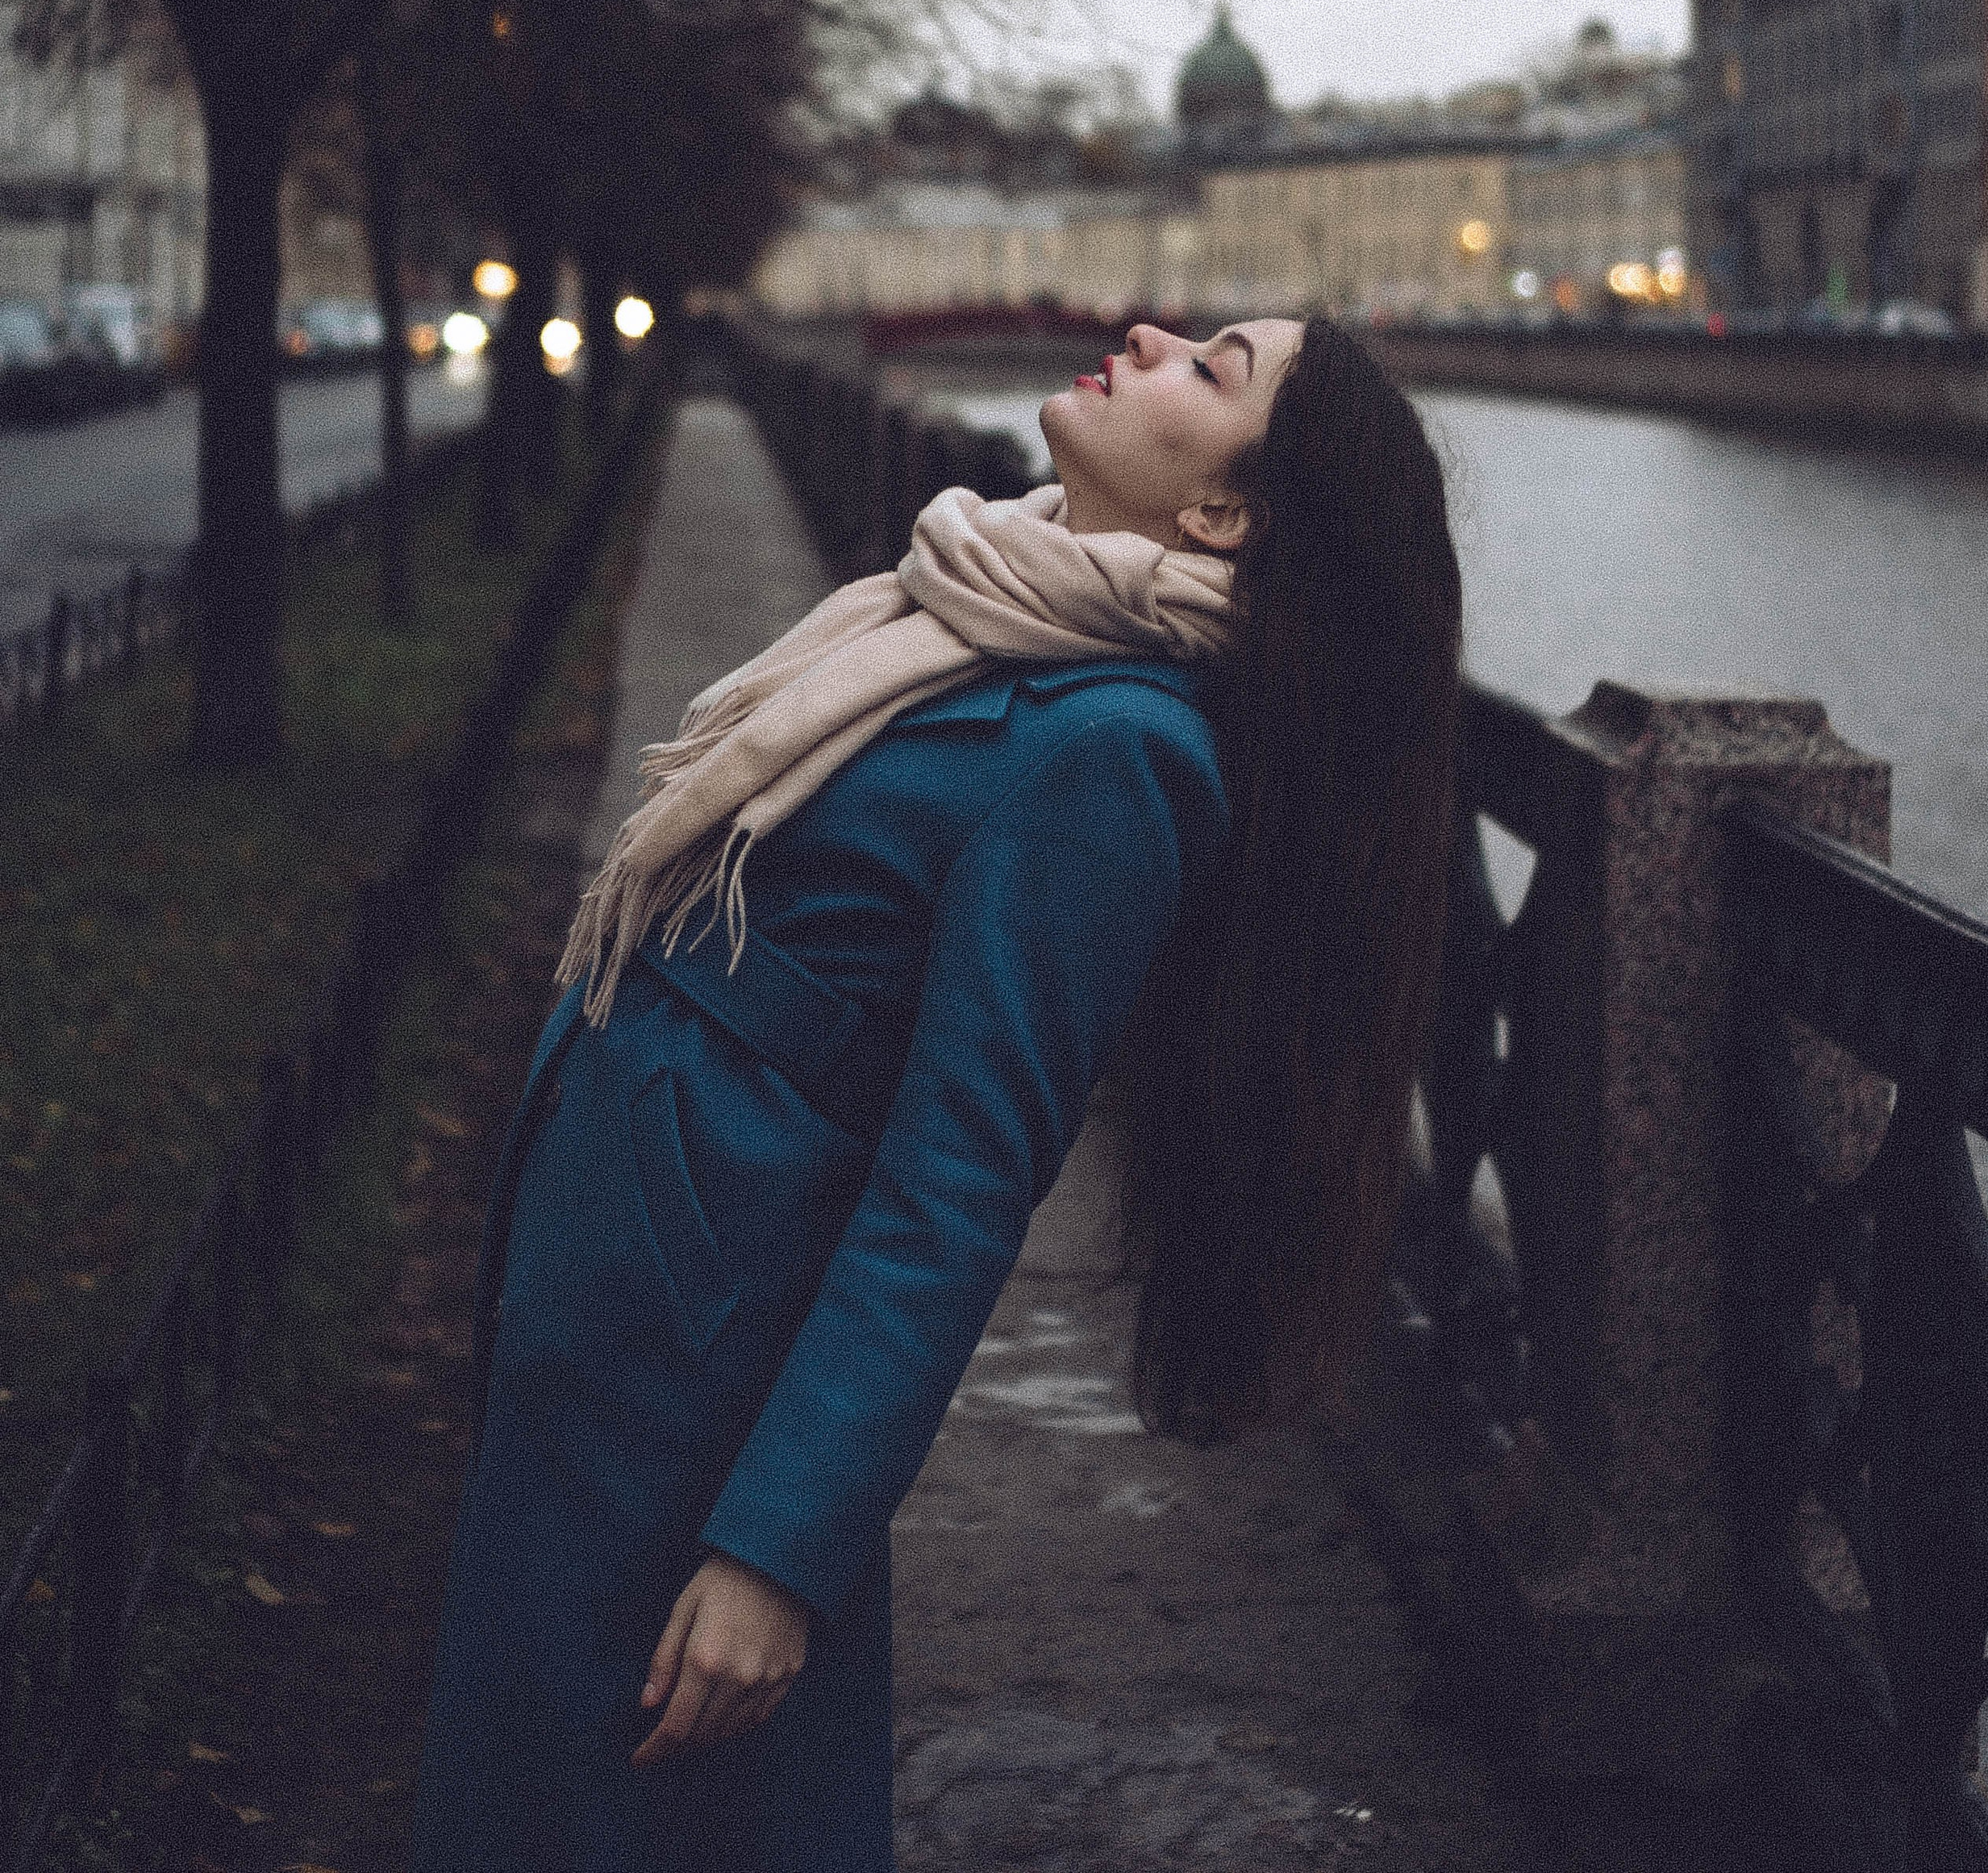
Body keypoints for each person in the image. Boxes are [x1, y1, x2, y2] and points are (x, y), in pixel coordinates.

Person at [412, 314, 1461, 1872]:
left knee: (616, 1808)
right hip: (624, 1290)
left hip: (710, 1363)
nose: (1152, 335)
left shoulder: (1116, 747)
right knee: (542, 1785)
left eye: (1211, 366)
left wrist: (782, 1552)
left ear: (1227, 514)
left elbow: (961, 1182)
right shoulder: (986, 607)